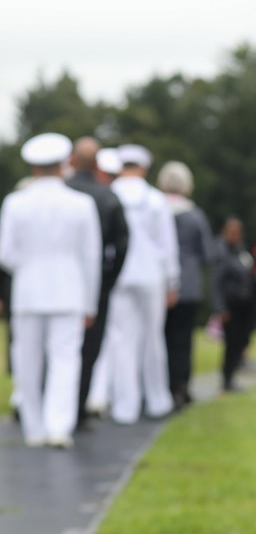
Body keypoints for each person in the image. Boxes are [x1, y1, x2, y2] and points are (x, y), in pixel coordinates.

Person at [0, 133, 102, 448]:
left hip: (28, 292)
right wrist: (90, 303)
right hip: (69, 291)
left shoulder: (16, 203)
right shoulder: (82, 204)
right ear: (63, 165)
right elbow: (91, 257)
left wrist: (28, 267)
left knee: (27, 359)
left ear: (33, 167)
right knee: (65, 360)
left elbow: (5, 254)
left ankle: (34, 427)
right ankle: (59, 425)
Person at [108, 144, 180, 424]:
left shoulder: (111, 194)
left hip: (119, 275)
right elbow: (166, 244)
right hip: (151, 275)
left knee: (121, 340)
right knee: (152, 338)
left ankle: (124, 406)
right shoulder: (154, 198)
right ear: (144, 167)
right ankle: (157, 399)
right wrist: (172, 280)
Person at [66, 137, 129, 429]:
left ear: (72, 161)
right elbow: (123, 243)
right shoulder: (107, 197)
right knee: (89, 349)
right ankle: (77, 409)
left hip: (62, 282)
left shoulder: (65, 190)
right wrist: (109, 279)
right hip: (96, 283)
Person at [157, 160, 216, 408]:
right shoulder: (194, 215)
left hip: (159, 284)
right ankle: (180, 385)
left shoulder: (156, 209)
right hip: (188, 285)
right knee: (182, 339)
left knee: (159, 337)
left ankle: (159, 385)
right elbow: (208, 254)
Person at [211, 217, 256, 392]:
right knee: (231, 343)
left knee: (241, 340)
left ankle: (231, 376)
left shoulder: (241, 250)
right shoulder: (221, 251)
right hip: (230, 305)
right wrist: (220, 307)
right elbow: (216, 281)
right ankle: (226, 378)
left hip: (245, 306)